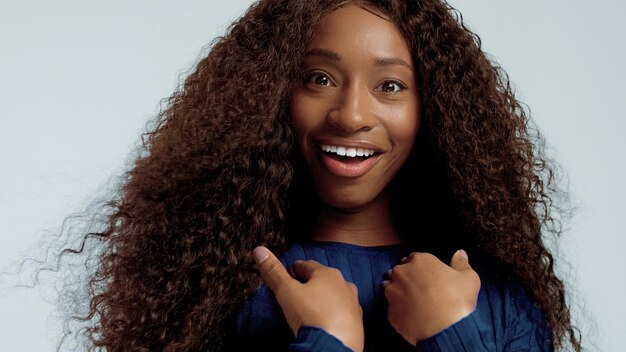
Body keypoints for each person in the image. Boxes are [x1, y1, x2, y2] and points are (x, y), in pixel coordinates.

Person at [47, 0, 581, 351]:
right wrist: (326, 340)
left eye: (390, 86)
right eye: (319, 78)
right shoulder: (205, 292)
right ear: (271, 94)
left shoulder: (497, 298)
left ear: (436, 108)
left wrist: (454, 334)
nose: (350, 115)